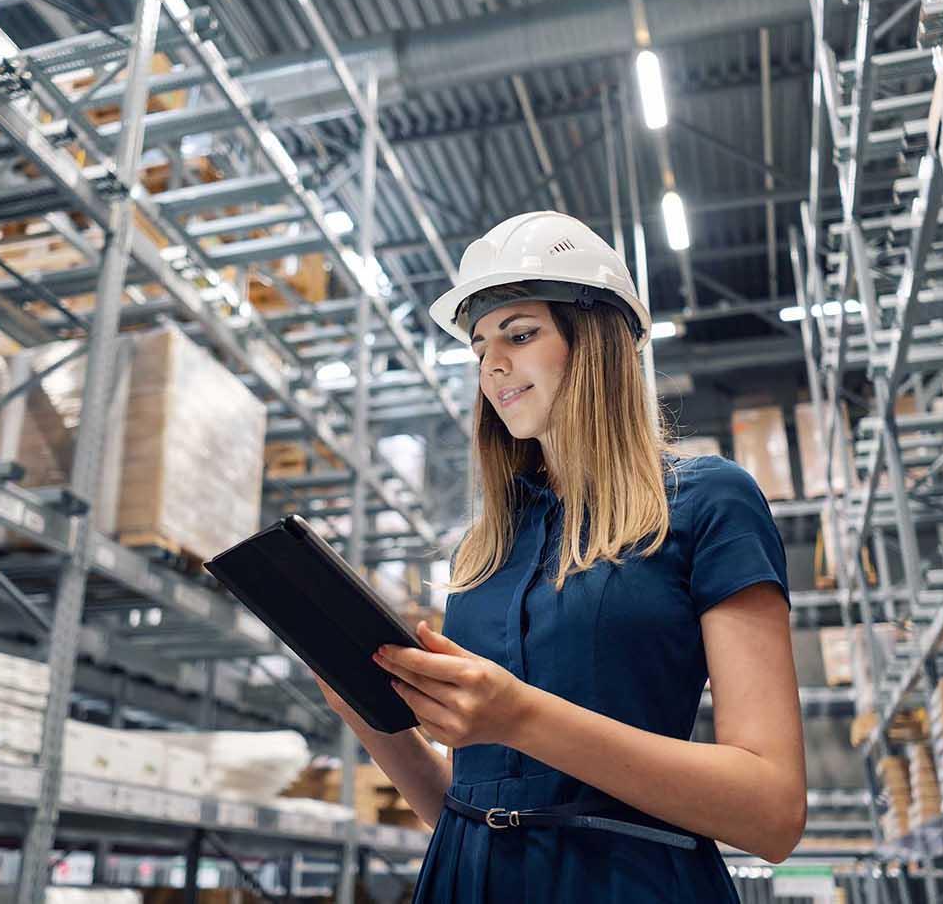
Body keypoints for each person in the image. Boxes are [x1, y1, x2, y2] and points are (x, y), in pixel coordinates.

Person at [314, 211, 805, 902]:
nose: (493, 364)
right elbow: (471, 807)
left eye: (519, 333)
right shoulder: (484, 553)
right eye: (482, 345)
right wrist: (368, 711)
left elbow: (773, 811)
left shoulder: (708, 505)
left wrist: (518, 715)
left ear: (597, 341)